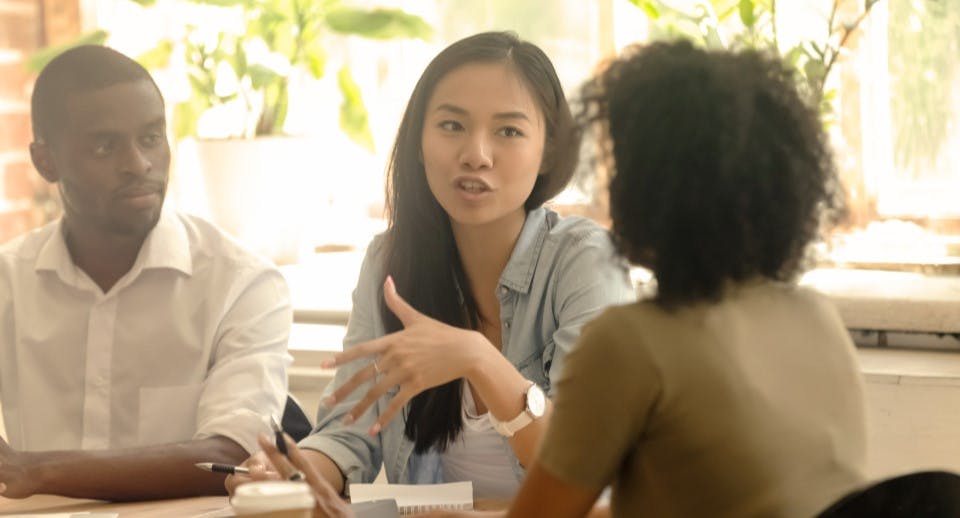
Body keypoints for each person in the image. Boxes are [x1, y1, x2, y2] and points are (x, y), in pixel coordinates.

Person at [228, 31, 635, 501]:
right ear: (419, 140)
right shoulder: (389, 261)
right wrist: (290, 474)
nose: (476, 155)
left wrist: (478, 358)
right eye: (451, 125)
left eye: (508, 131)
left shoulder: (586, 261)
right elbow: (347, 437)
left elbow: (584, 464)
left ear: (548, 151)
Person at [0, 45, 291, 500]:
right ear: (45, 162)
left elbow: (233, 456)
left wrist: (35, 471)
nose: (138, 165)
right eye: (104, 146)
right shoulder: (8, 283)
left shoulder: (241, 283)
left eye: (151, 137)